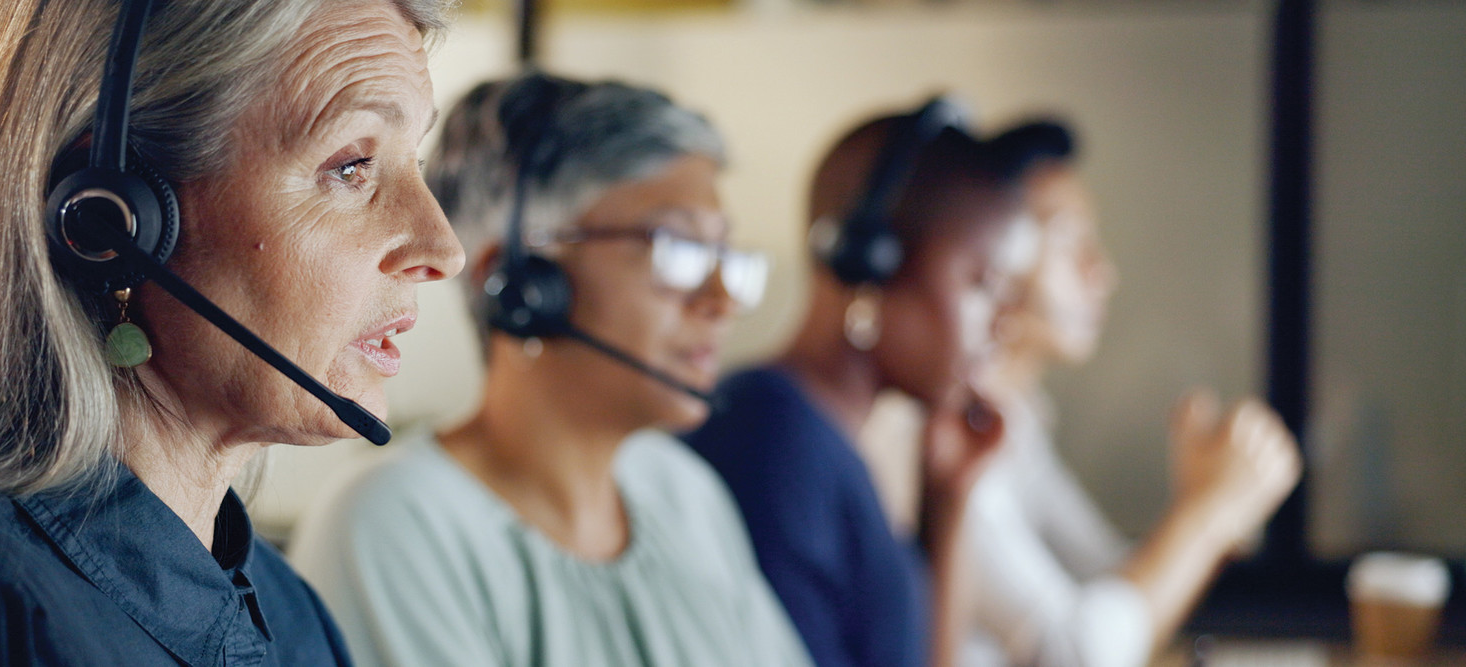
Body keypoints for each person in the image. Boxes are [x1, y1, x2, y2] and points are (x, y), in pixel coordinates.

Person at [0, 0, 464, 664]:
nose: (442, 246)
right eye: (352, 166)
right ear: (109, 221)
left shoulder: (293, 614)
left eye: (416, 164)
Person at [289, 72, 811, 667]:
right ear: (519, 285)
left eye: (723, 255)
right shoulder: (397, 522)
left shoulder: (682, 495)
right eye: (681, 248)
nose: (722, 298)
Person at [683, 103, 1049, 667]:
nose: (1003, 324)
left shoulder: (823, 438)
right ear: (871, 262)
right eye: (983, 284)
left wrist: (947, 501)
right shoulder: (773, 448)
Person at [963, 122, 1301, 667]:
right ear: (992, 257)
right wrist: (1207, 514)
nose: (1102, 272)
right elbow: (1076, 655)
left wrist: (1211, 508)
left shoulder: (1018, 420)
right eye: (1069, 242)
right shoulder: (945, 435)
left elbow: (1106, 578)